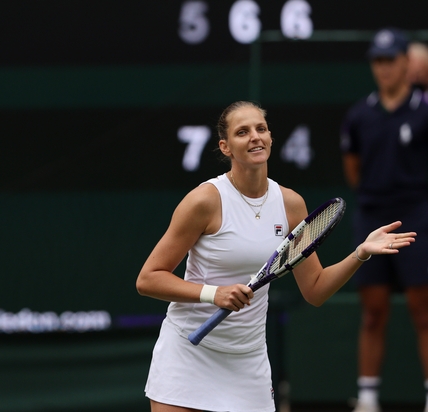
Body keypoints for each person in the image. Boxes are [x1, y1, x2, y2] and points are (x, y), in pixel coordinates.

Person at [136, 100, 416, 412]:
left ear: (270, 138)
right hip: (187, 354)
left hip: (248, 362)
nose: (255, 136)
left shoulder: (291, 204)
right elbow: (148, 279)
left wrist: (360, 253)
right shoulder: (204, 201)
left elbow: (316, 289)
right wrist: (214, 294)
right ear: (225, 147)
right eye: (243, 132)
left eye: (261, 129)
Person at [341, 28, 428, 412]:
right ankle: (369, 398)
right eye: (378, 61)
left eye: (390, 59)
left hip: (418, 215)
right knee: (373, 310)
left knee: (422, 308)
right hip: (372, 217)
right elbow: (354, 170)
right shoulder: (359, 116)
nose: (384, 68)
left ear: (407, 63)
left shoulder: (425, 109)